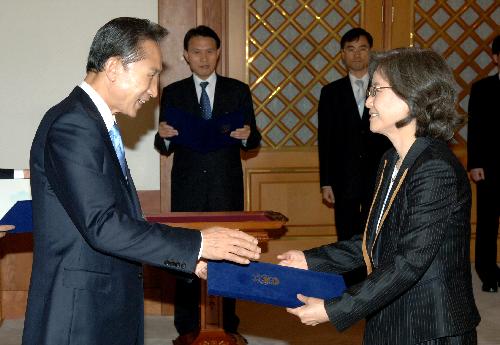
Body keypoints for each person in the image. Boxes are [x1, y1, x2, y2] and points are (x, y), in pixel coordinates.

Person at [22, 17, 261, 345]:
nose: (153, 91)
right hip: (80, 313)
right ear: (115, 67)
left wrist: (192, 259)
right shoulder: (74, 126)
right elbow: (103, 225)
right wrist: (198, 244)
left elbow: (120, 221)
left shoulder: (92, 122)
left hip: (103, 302)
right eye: (150, 75)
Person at [278, 47, 480, 344]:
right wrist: (310, 260)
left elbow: (409, 262)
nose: (368, 100)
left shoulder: (435, 168)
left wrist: (334, 309)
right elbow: (373, 240)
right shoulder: (390, 159)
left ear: (413, 96)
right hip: (389, 313)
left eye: (376, 90)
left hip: (429, 326)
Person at [154, 25, 260, 345]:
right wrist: (164, 137)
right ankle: (187, 324)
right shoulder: (173, 92)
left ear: (218, 53)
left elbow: (253, 137)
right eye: (197, 52)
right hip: (187, 186)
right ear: (186, 56)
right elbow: (163, 145)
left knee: (229, 254)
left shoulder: (237, 90)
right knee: (188, 253)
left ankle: (227, 322)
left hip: (225, 185)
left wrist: (246, 138)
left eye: (210, 51)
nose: (204, 58)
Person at [318, 28, 390, 243]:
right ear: (342, 54)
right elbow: (325, 139)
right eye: (351, 49)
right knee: (346, 236)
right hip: (343, 177)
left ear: (371, 52)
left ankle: (374, 276)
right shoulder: (331, 92)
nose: (357, 54)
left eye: (362, 48)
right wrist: (326, 182)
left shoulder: (385, 88)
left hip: (378, 173)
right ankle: (349, 278)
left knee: (376, 235)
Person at [467, 34, 500, 293]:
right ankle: (487, 273)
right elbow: (475, 129)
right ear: (496, 58)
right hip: (489, 168)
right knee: (488, 223)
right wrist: (475, 163)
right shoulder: (482, 89)